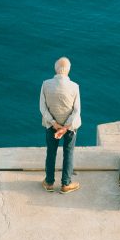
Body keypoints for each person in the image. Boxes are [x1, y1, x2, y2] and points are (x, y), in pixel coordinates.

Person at [40, 57, 82, 193]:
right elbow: (76, 111)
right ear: (68, 70)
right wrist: (65, 127)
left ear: (55, 69)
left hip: (52, 126)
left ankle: (49, 182)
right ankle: (66, 184)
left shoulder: (46, 84)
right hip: (69, 128)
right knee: (68, 153)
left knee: (51, 153)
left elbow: (42, 107)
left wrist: (54, 123)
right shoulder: (75, 87)